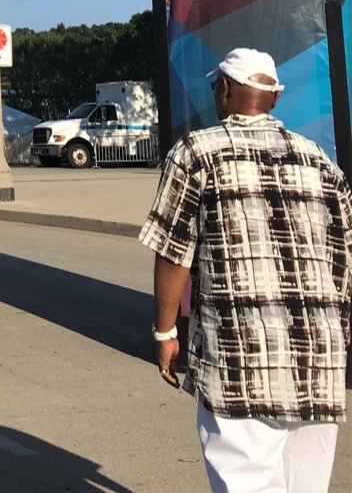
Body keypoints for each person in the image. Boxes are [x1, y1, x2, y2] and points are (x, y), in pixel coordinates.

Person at [140, 47, 352, 493]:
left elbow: (173, 252)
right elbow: (343, 262)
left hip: (238, 358)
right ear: (275, 97)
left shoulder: (196, 152)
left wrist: (166, 333)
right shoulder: (319, 161)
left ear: (223, 90)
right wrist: (337, 339)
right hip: (319, 361)